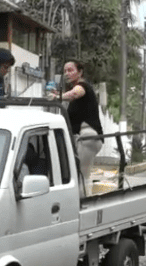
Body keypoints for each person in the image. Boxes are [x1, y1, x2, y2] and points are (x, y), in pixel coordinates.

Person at [48, 60, 103, 193]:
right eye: (65, 71)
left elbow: (75, 93)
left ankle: (82, 204)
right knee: (77, 174)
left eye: (70, 70)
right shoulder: (74, 90)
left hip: (88, 137)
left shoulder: (82, 86)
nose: (67, 73)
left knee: (81, 175)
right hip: (80, 138)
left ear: (80, 72)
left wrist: (57, 97)